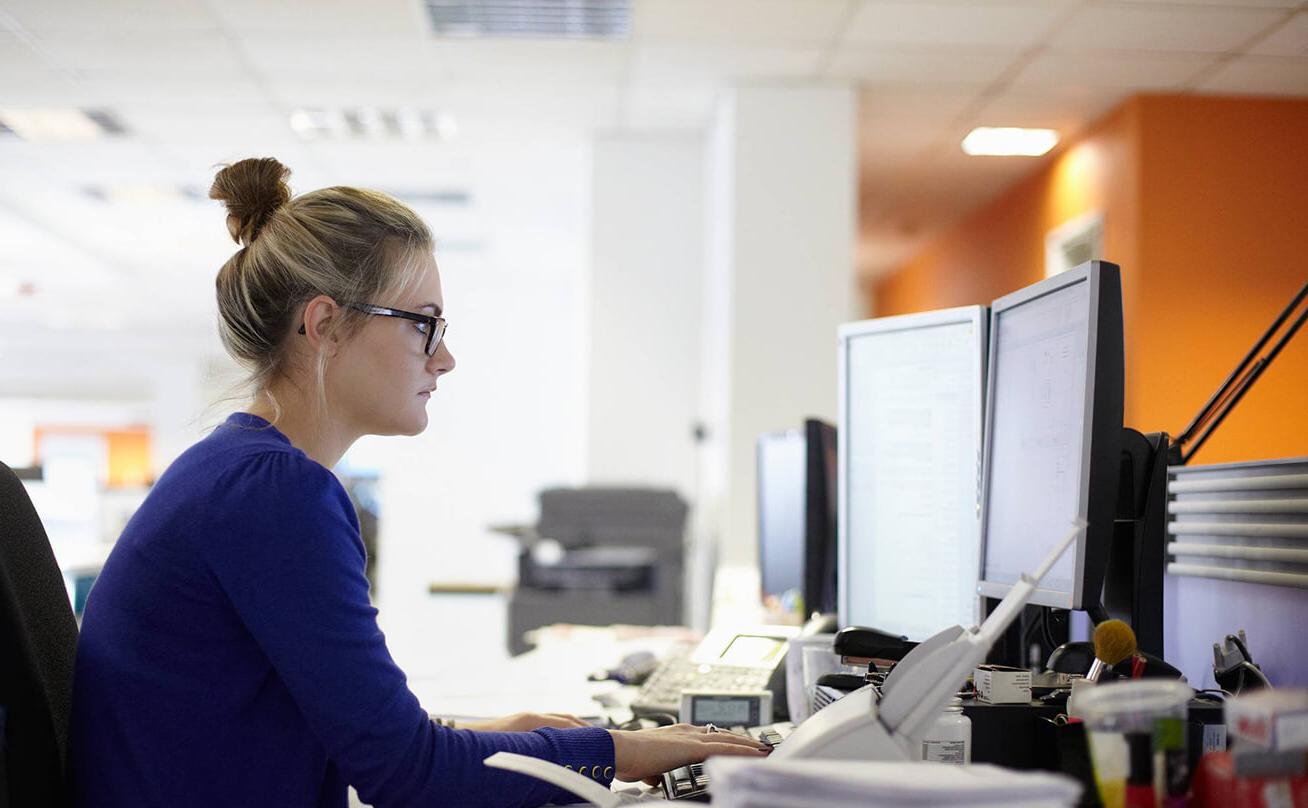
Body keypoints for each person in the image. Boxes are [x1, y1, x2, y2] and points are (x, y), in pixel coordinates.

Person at [69, 157, 768, 807]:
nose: (446, 358)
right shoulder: (276, 493)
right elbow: (405, 775)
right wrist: (619, 752)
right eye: (424, 325)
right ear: (326, 326)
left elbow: (356, 739)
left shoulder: (233, 469)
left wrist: (506, 737)